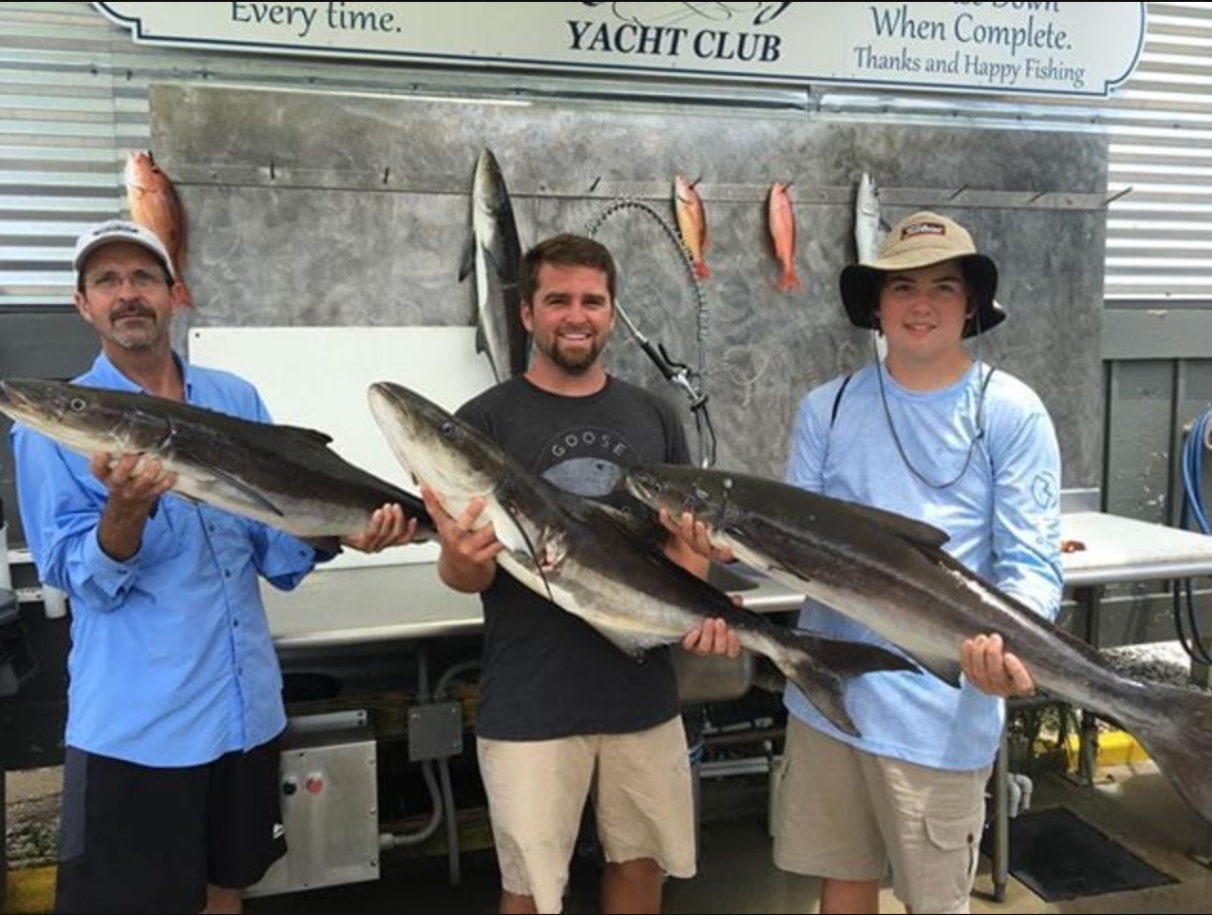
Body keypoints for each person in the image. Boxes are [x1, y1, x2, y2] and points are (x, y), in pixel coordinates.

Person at [10, 219, 419, 915]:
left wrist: (344, 534)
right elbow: (78, 579)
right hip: (138, 729)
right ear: (83, 304)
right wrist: (126, 511)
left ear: (175, 294)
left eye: (144, 277)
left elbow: (275, 551)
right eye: (107, 281)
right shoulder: (52, 432)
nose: (127, 293)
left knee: (228, 890)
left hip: (245, 714)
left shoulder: (234, 398)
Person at [420, 233, 739, 915]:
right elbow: (464, 574)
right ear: (527, 313)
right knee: (531, 889)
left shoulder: (654, 415)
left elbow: (684, 549)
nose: (576, 315)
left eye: (592, 301)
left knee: (640, 868)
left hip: (642, 695)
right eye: (558, 299)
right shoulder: (483, 422)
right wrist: (460, 559)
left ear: (611, 312)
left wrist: (701, 611)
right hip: (531, 697)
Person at [771, 211, 1063, 914]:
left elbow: (1030, 562)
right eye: (902, 287)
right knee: (841, 882)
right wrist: (720, 543)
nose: (921, 303)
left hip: (939, 713)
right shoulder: (827, 409)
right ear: (877, 305)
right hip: (829, 697)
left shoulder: (1010, 411)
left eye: (943, 286)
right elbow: (791, 546)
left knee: (934, 900)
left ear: (971, 305)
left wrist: (1009, 650)